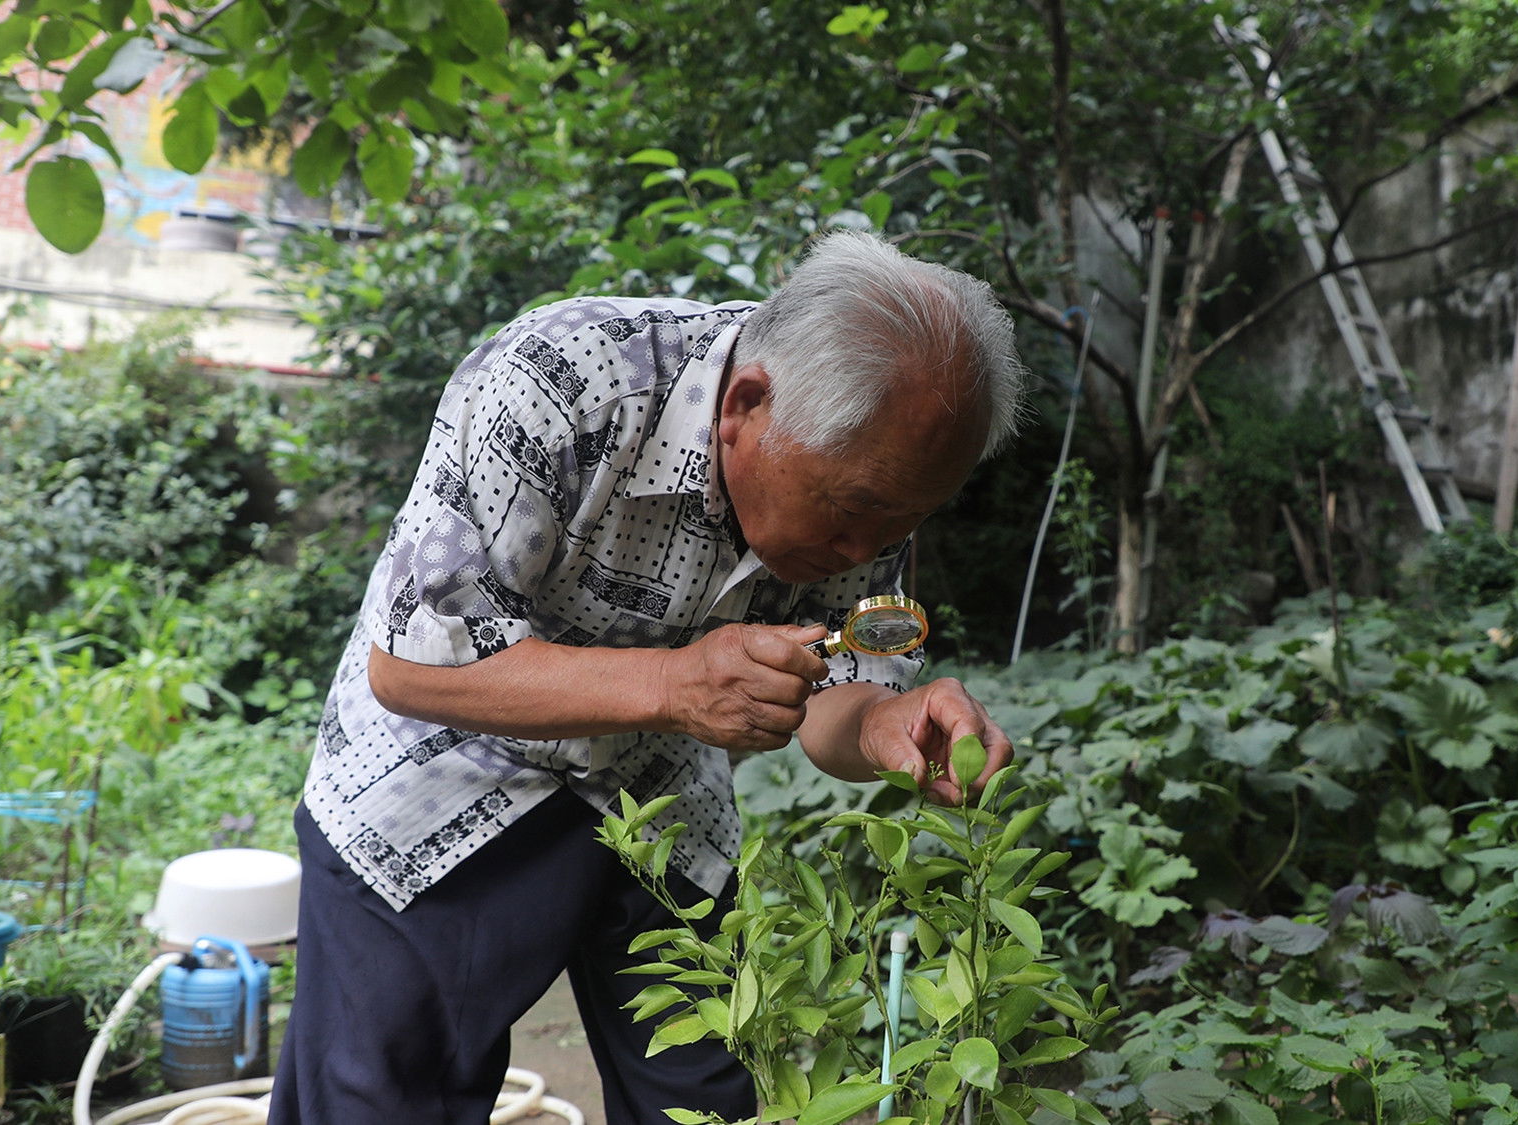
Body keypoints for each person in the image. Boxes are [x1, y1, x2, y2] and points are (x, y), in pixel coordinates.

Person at [268, 231, 1028, 1124]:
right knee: (383, 1099)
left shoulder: (868, 462)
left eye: (904, 518)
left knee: (709, 1097)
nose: (866, 550)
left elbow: (838, 689)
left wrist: (879, 726)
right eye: (856, 509)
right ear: (748, 404)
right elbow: (409, 667)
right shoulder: (563, 382)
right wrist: (674, 685)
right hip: (438, 778)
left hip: (658, 790)